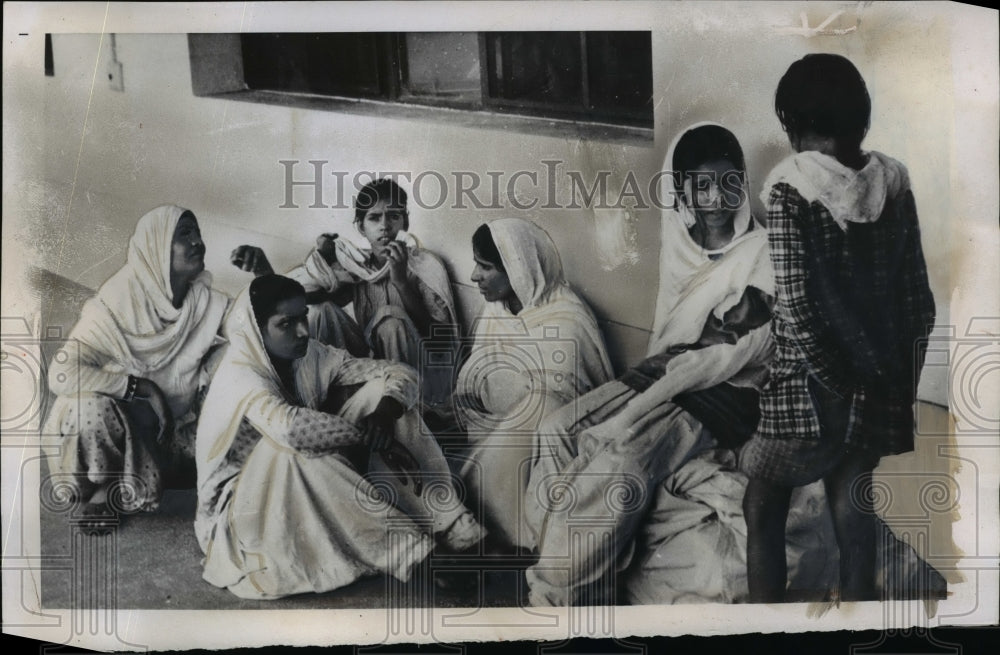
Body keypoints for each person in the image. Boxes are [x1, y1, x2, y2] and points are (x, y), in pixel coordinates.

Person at [524, 123, 775, 605]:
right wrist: (688, 348)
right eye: (702, 186)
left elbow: (749, 346)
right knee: (555, 431)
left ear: (743, 182)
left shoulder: (761, 251)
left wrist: (701, 349)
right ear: (683, 191)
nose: (717, 198)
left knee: (618, 464)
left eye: (729, 182)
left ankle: (553, 600)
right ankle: (571, 575)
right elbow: (674, 337)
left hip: (719, 394)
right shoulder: (680, 243)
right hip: (664, 373)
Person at [740, 54, 936, 602]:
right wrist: (896, 379)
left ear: (792, 124)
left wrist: (837, 379)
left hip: (809, 384)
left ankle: (763, 624)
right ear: (863, 122)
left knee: (762, 501)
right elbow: (919, 301)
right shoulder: (893, 183)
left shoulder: (789, 188)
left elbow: (798, 310)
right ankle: (857, 616)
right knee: (853, 495)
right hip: (878, 372)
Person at [195, 274, 482, 599]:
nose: (303, 330)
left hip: (313, 470)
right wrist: (367, 436)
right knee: (289, 450)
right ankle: (420, 556)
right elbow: (291, 429)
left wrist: (385, 415)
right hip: (241, 511)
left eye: (303, 316)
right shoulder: (240, 371)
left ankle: (450, 524)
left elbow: (399, 372)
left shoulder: (309, 353)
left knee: (382, 396)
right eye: (286, 323)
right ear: (256, 331)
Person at [44, 205, 267, 530]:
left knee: (236, 358)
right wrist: (143, 388)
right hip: (119, 428)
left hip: (175, 432)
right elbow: (61, 373)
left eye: (197, 233)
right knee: (86, 403)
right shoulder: (117, 302)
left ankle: (179, 471)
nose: (198, 243)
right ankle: (105, 485)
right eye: (184, 235)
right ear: (155, 247)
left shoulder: (204, 303)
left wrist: (263, 272)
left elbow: (259, 331)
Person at [455, 219, 614, 551]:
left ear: (518, 268)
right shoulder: (495, 312)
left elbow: (568, 401)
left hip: (549, 441)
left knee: (538, 405)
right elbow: (474, 380)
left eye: (485, 267)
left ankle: (510, 536)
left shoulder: (567, 319)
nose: (474, 276)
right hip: (495, 431)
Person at [283, 178, 458, 407]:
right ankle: (329, 399)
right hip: (376, 363)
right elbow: (306, 298)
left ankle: (399, 407)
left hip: (422, 378)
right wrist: (323, 259)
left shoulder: (425, 265)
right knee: (322, 311)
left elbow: (442, 342)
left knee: (390, 319)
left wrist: (402, 283)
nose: (385, 226)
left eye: (394, 216)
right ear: (361, 227)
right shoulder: (358, 266)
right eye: (374, 218)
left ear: (405, 222)